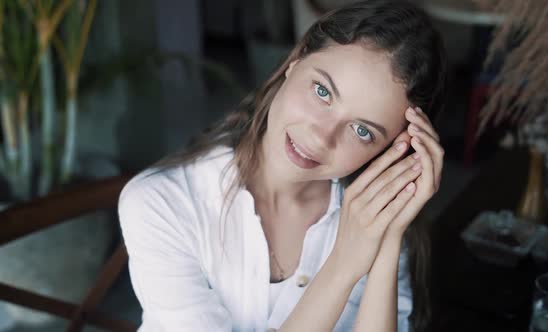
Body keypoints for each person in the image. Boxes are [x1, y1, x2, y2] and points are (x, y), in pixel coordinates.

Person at [117, 0, 447, 331]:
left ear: (392, 150)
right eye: (322, 91)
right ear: (294, 63)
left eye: (362, 131)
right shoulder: (160, 203)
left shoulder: (371, 220)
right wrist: (344, 264)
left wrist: (387, 237)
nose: (321, 137)